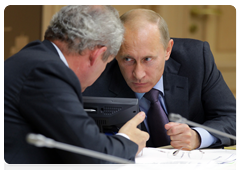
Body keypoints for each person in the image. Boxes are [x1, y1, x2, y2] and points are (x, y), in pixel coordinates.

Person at [4, 5, 149, 170]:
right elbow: (93, 157)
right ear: (96, 55)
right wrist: (127, 141)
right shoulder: (47, 72)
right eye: (106, 64)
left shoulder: (34, 58)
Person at [83, 9, 238, 150]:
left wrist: (198, 137)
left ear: (167, 50)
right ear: (115, 53)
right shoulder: (94, 79)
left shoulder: (196, 60)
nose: (138, 74)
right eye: (128, 59)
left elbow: (233, 119)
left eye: (148, 59)